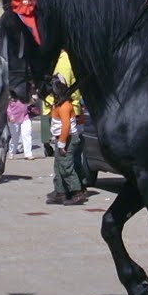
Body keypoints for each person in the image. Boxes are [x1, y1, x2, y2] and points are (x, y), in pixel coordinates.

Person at [45, 77, 88, 206]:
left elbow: (66, 127)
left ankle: (77, 193)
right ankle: (60, 192)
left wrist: (62, 144)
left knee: (65, 167)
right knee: (59, 166)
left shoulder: (65, 106)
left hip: (68, 139)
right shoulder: (60, 104)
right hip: (63, 138)